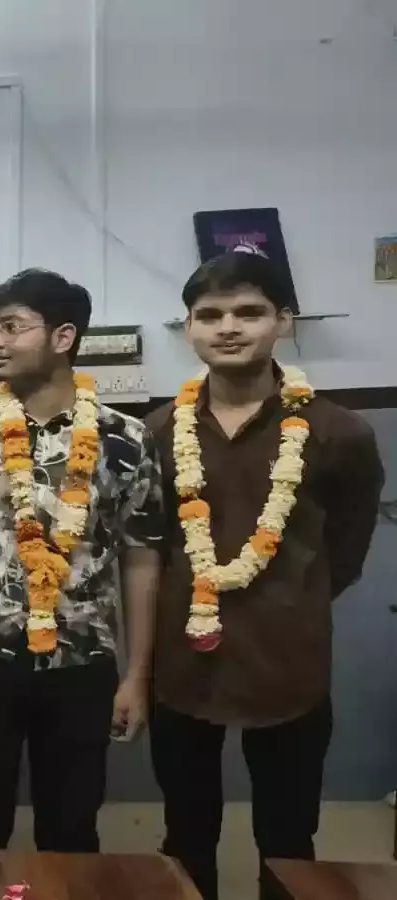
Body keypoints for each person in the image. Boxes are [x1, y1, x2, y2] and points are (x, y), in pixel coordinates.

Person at [144, 251, 383, 900]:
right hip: (183, 660)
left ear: (284, 320)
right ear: (189, 327)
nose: (228, 328)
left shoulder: (340, 433)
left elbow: (347, 548)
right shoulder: (157, 433)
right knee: (186, 832)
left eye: (249, 312)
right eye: (210, 315)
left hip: (288, 661)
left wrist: (291, 597)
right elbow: (148, 548)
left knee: (288, 836)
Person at [0, 269, 162, 854]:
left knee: (71, 829)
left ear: (63, 337)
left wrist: (137, 675)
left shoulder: (125, 440)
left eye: (12, 327)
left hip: (80, 662)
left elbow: (141, 558)